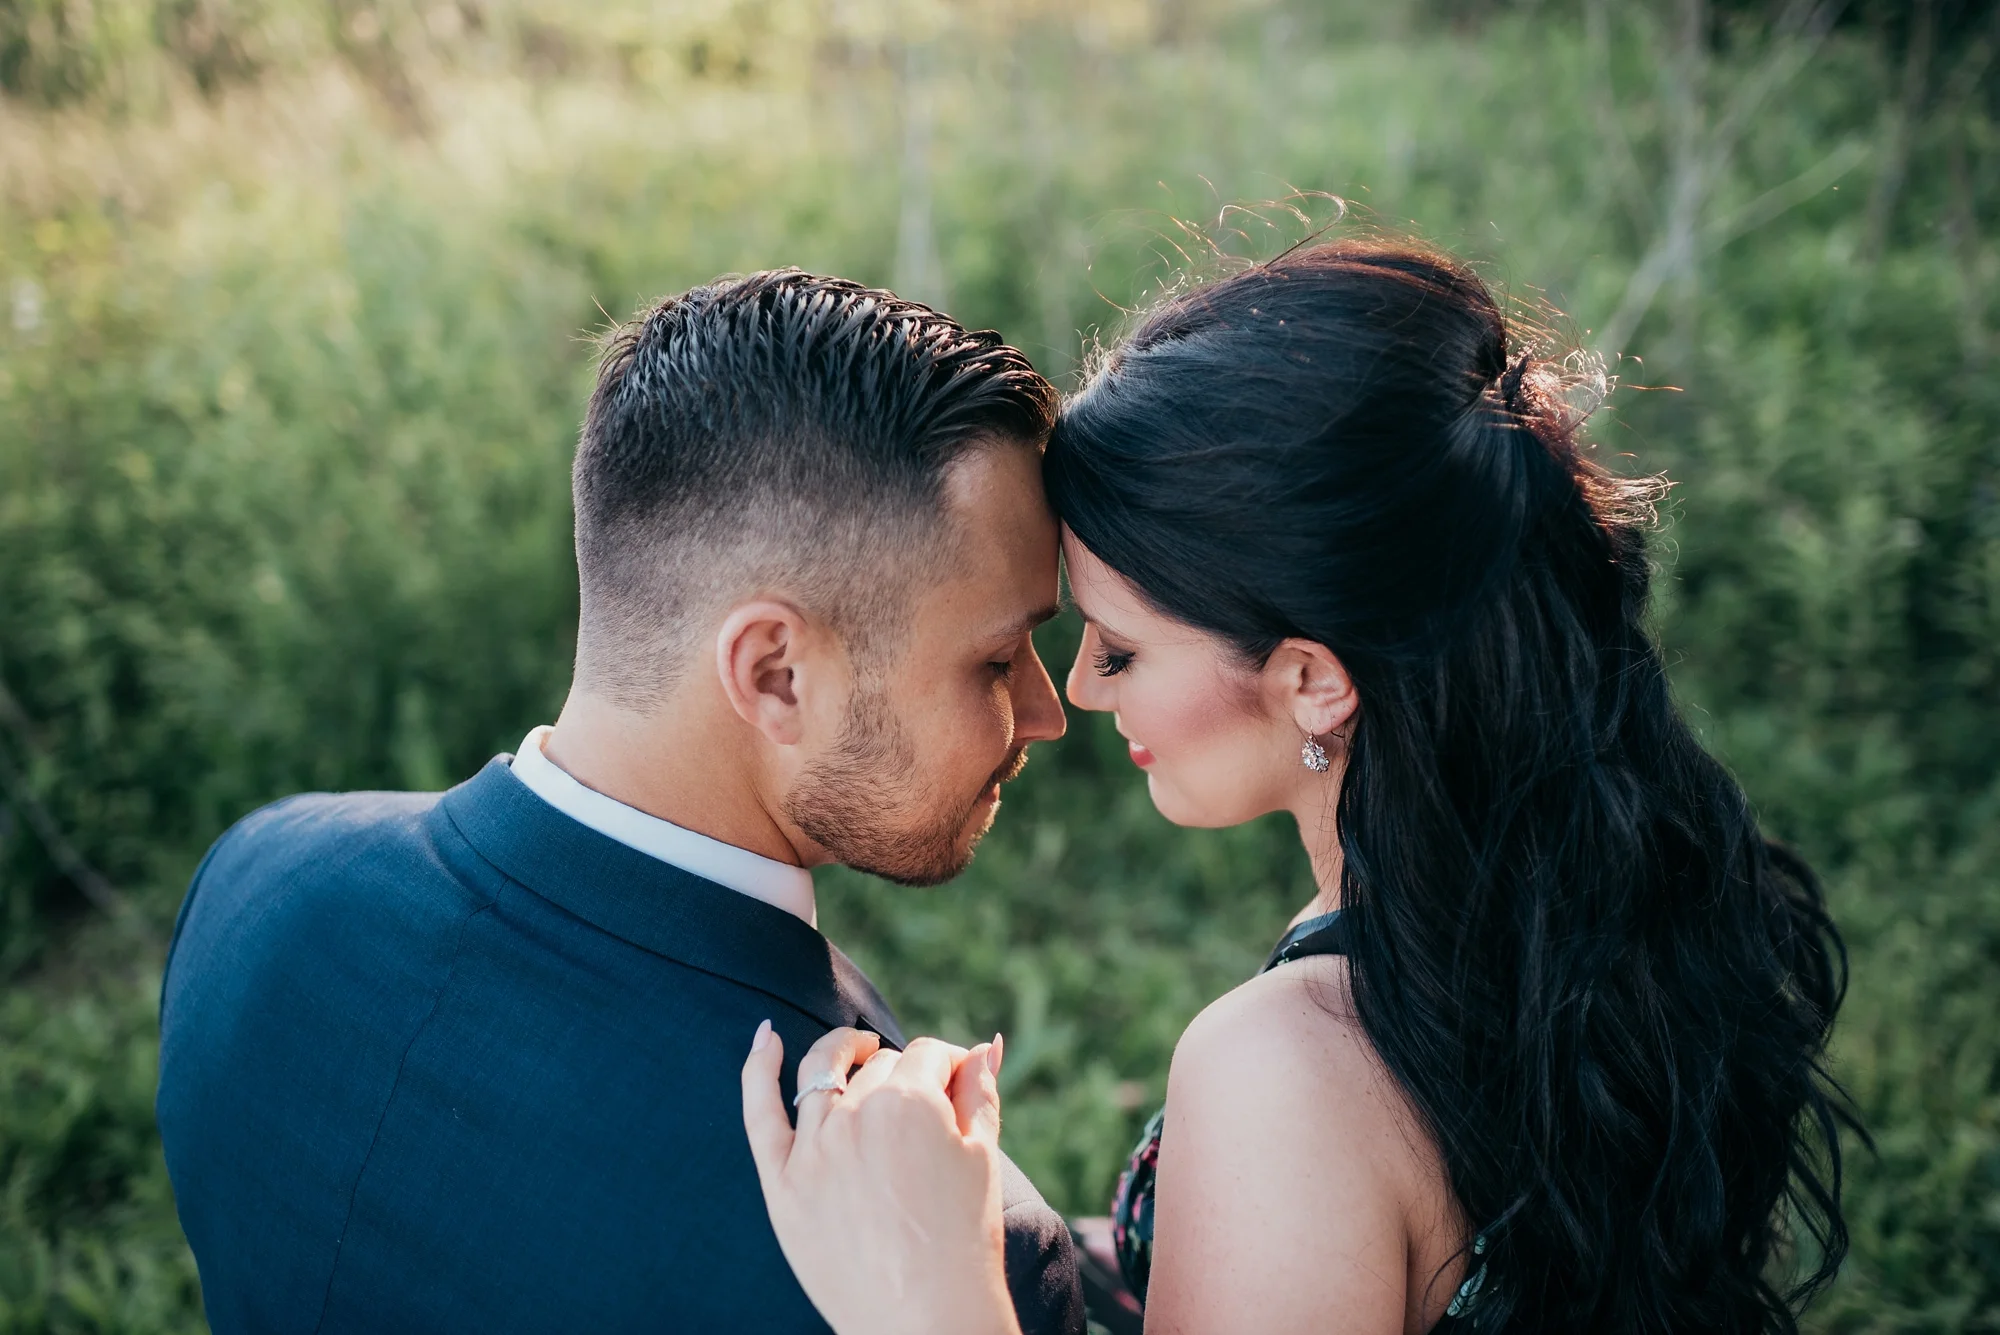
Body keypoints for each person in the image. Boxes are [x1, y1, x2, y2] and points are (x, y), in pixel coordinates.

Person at [743, 240, 1855, 1335]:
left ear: (1313, 681)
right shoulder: (1582, 889)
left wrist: (935, 1289)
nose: (1075, 691)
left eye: (1119, 651)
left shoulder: (1281, 1074)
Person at [155, 270, 1089, 1334]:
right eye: (999, 656)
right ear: (774, 672)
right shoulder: (945, 1267)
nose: (1045, 710)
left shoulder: (252, 879)